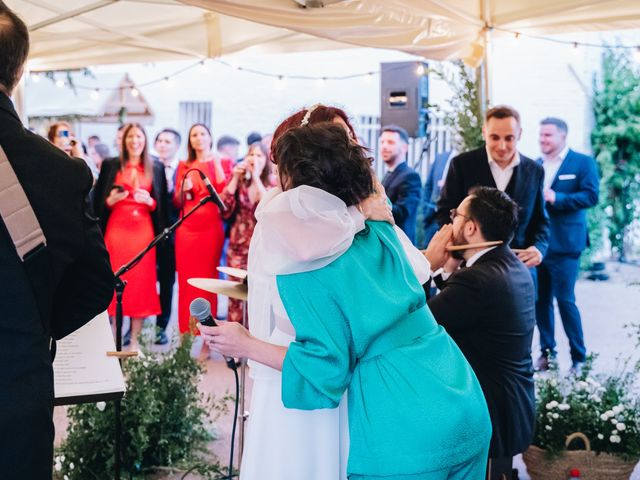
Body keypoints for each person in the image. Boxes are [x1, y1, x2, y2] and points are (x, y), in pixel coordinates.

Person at [201, 122, 492, 480]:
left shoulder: (305, 270)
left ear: (293, 184)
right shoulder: (379, 225)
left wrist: (244, 344)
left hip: (403, 413)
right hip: (458, 387)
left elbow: (326, 369)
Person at [0, 4, 114, 477]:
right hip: (16, 393)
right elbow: (95, 284)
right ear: (20, 70)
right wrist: (33, 326)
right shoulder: (60, 170)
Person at [427, 187, 536, 480]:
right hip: (512, 403)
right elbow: (460, 305)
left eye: (456, 215)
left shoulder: (478, 280)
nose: (450, 222)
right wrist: (447, 268)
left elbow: (421, 323)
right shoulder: (510, 265)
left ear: (472, 227)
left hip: (491, 411)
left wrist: (425, 265)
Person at [436, 105, 550, 270]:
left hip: (519, 266)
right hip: (470, 267)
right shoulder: (462, 165)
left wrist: (539, 248)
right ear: (484, 133)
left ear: (520, 134)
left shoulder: (535, 170)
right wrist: (457, 251)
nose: (502, 146)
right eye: (495, 137)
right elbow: (444, 212)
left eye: (509, 138)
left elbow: (540, 220)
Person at [92, 123, 168, 350]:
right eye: (130, 137)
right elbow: (97, 202)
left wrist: (150, 202)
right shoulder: (111, 164)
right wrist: (109, 202)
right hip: (116, 231)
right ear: (123, 140)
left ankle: (135, 341)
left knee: (141, 285)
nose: (135, 141)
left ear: (145, 140)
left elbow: (162, 204)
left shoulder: (155, 166)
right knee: (115, 281)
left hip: (142, 233)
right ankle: (115, 336)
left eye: (139, 136)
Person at [535, 117, 599, 374]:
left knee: (565, 301)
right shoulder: (536, 165)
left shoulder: (582, 163)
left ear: (563, 136)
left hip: (566, 245)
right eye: (541, 135)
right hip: (539, 245)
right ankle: (546, 354)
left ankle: (579, 358)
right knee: (541, 302)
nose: (543, 140)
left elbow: (591, 195)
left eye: (548, 135)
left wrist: (557, 197)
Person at [174, 123, 226, 338]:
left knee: (208, 282)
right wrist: (181, 190)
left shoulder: (220, 161)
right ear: (190, 140)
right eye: (194, 134)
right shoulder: (184, 165)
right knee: (186, 283)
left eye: (202, 133)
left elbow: (224, 193)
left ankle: (208, 338)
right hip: (187, 229)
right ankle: (186, 334)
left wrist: (216, 163)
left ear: (210, 137)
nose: (198, 138)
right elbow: (177, 201)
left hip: (211, 229)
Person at [220, 141, 274, 323]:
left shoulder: (272, 183)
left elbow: (269, 208)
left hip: (261, 247)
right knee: (235, 296)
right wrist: (234, 178)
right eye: (251, 154)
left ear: (266, 160)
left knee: (258, 297)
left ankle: (253, 343)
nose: (254, 159)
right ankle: (233, 345)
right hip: (237, 246)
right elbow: (224, 208)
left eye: (259, 155)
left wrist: (257, 177)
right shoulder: (240, 182)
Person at [153, 128, 181, 345]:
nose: (163, 145)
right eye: (160, 141)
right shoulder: (149, 167)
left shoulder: (182, 169)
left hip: (174, 235)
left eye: (168, 141)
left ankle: (161, 325)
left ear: (176, 146)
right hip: (149, 232)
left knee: (167, 281)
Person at [379, 124, 422, 243]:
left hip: (401, 243)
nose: (384, 146)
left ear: (404, 147)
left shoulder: (411, 176)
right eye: (382, 142)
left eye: (390, 142)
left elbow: (403, 212)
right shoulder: (389, 174)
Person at [422, 149, 456, 246]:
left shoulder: (469, 158)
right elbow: (428, 186)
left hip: (453, 221)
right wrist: (426, 212)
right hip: (432, 218)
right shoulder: (441, 157)